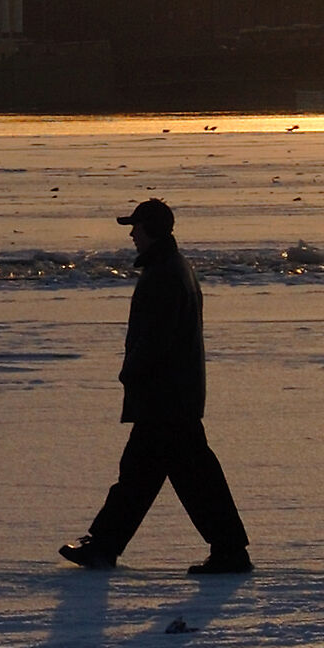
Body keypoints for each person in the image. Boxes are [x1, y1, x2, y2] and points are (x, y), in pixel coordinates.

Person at [60, 198, 253, 574]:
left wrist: (132, 373)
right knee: (148, 476)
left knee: (172, 477)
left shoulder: (164, 275)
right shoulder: (172, 268)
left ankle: (228, 550)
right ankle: (106, 545)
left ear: (150, 230)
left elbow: (156, 341)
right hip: (172, 396)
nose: (131, 234)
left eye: (136, 227)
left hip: (165, 398)